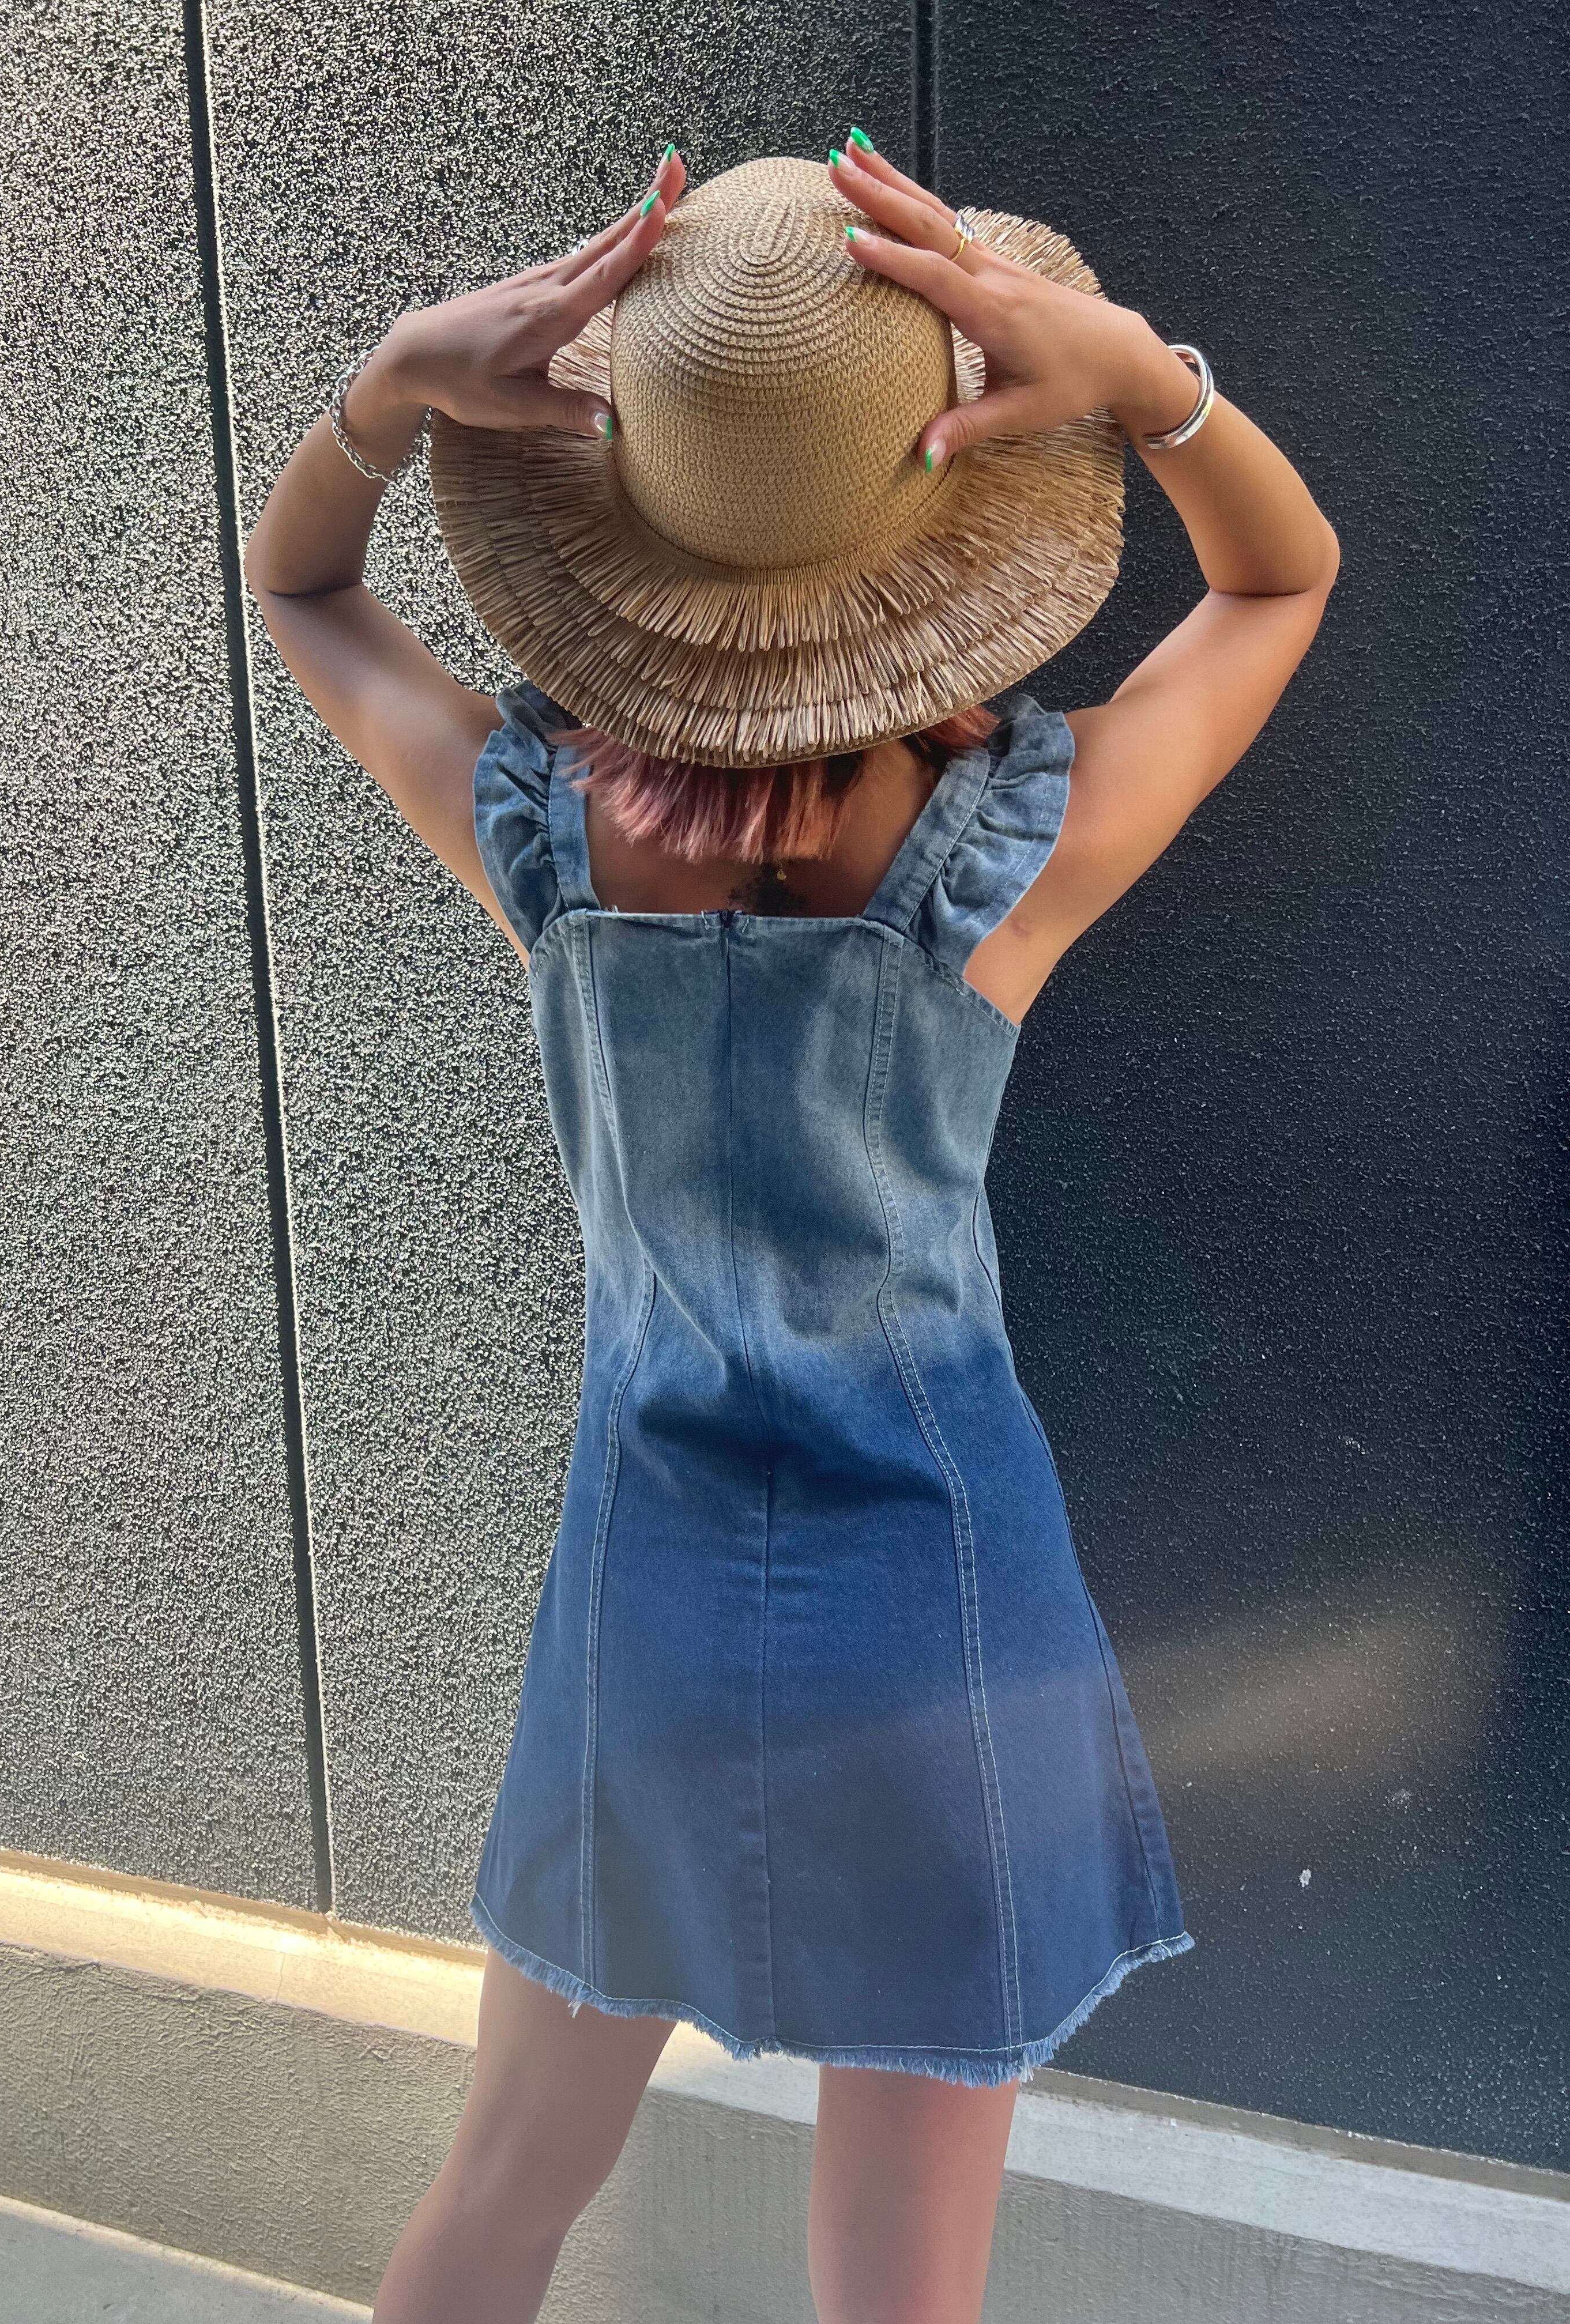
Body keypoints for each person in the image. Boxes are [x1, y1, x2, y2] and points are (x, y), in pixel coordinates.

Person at [244, 134, 1338, 2324]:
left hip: (644, 1593)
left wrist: (396, 383)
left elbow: (304, 591)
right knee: (896, 2295)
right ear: (936, 522)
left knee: (499, 2197)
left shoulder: (548, 845)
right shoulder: (1009, 862)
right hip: (941, 1605)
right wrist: (1143, 376)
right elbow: (1277, 584)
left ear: (642, 519)